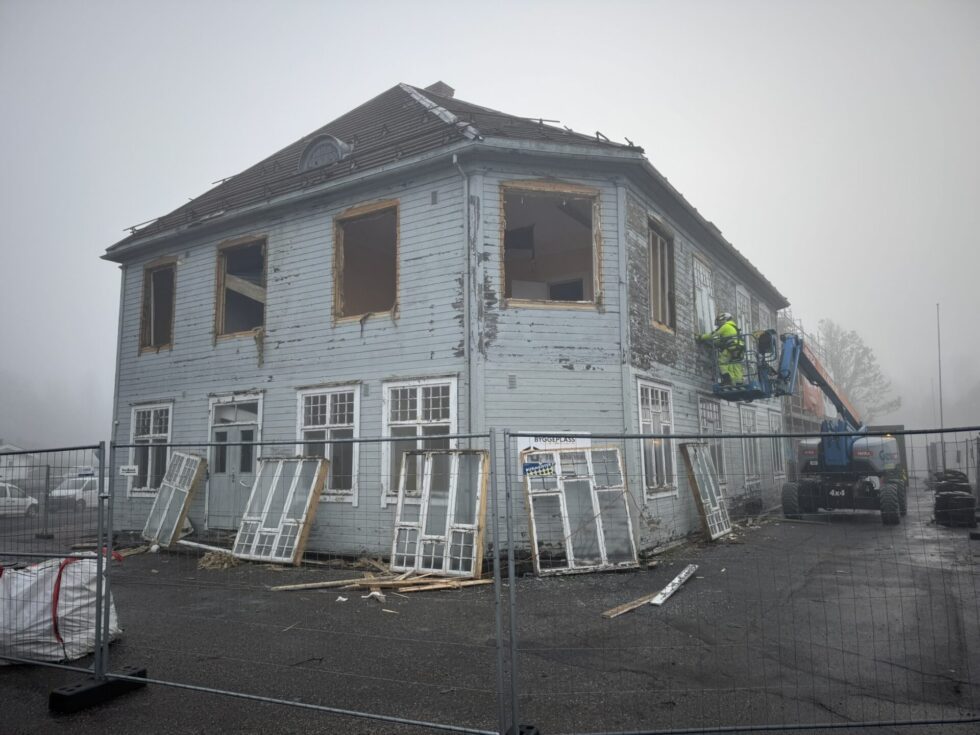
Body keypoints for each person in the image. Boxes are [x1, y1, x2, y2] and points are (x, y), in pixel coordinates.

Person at [698, 312, 744, 385]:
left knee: (722, 362)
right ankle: (739, 382)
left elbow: (713, 334)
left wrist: (701, 337)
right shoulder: (734, 327)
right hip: (739, 347)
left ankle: (727, 380)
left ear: (724, 319)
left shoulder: (725, 326)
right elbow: (724, 339)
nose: (719, 325)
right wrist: (716, 342)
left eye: (719, 322)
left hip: (731, 347)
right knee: (735, 364)